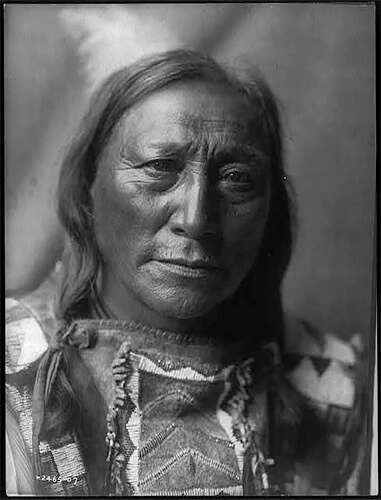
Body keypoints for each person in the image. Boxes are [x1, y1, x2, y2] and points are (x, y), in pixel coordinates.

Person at [5, 49, 368, 496]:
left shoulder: (345, 391)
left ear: (271, 212)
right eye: (160, 167)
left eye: (236, 178)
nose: (197, 220)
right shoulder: (13, 367)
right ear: (87, 192)